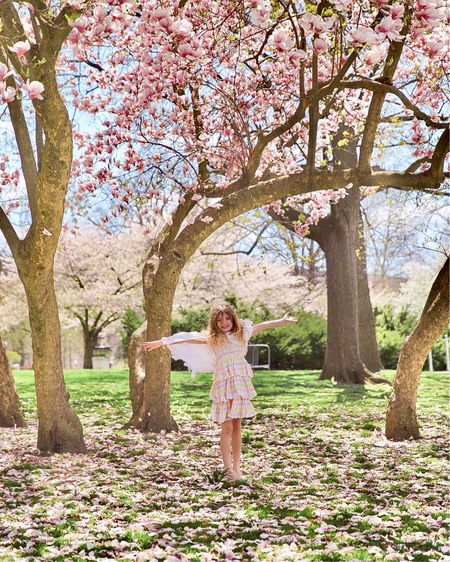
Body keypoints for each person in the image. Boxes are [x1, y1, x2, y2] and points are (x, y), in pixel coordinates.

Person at [143, 303, 298, 481]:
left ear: (233, 319)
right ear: (215, 323)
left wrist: (282, 320)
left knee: (237, 426)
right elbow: (187, 338)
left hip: (239, 381)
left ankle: (237, 469)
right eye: (219, 320)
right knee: (227, 426)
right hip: (223, 382)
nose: (224, 322)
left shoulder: (242, 334)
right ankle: (227, 469)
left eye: (227, 318)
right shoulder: (213, 338)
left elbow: (262, 326)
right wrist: (163, 341)